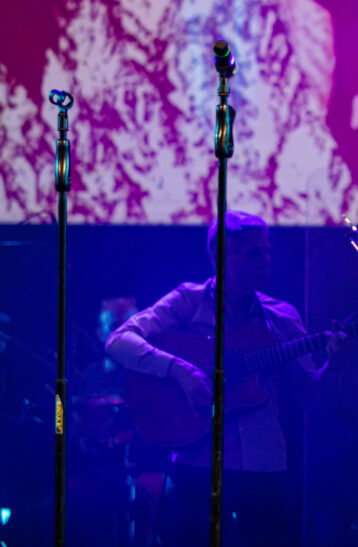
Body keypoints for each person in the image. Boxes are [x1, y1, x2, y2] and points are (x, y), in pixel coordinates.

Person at [105, 211, 345, 546]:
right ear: (220, 258)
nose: (265, 260)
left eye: (267, 250)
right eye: (253, 253)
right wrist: (179, 369)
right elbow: (118, 341)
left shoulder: (282, 317)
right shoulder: (188, 301)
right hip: (197, 459)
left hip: (264, 463)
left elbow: (308, 396)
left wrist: (334, 365)